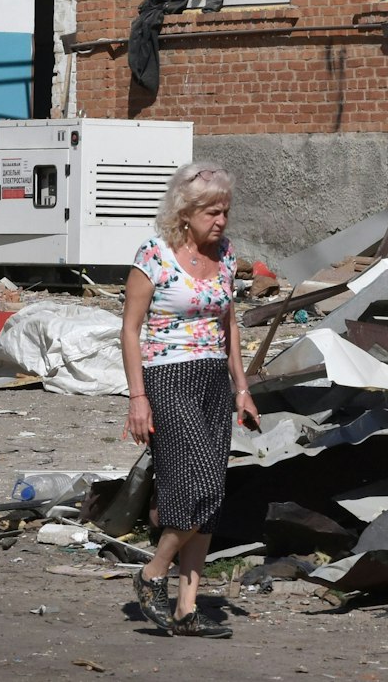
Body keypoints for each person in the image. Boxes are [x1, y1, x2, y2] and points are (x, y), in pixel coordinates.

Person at [120, 161, 259, 637]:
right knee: (201, 482)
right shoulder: (154, 254)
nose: (221, 221)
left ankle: (186, 607)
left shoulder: (226, 254)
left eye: (225, 211)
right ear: (185, 212)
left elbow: (229, 324)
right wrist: (137, 398)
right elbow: (130, 330)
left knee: (207, 495)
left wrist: (242, 388)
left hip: (214, 378)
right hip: (167, 377)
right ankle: (152, 571)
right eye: (211, 212)